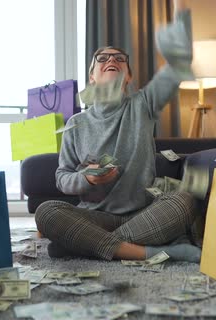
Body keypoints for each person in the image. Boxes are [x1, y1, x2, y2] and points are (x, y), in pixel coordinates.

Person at [35, 0, 202, 262]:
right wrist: (86, 178)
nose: (111, 60)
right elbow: (62, 177)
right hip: (94, 216)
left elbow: (175, 71)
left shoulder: (143, 105)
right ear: (92, 77)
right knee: (46, 212)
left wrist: (182, 34)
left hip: (142, 213)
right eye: (102, 59)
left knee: (184, 201)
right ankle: (143, 251)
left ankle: (81, 245)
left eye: (119, 59)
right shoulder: (75, 124)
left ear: (128, 77)